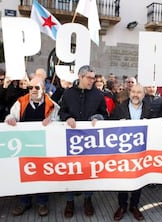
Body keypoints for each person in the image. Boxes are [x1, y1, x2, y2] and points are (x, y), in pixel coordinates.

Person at [5, 76, 60, 217]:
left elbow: (59, 122)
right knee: (25, 174)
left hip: (44, 147)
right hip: (24, 145)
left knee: (42, 174)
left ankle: (42, 202)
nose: (33, 90)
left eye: (37, 87)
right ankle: (24, 201)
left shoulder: (53, 105)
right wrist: (10, 120)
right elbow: (11, 117)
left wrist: (52, 121)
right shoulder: (20, 103)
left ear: (44, 88)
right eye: (30, 87)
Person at [58, 65, 108, 218]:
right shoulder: (68, 93)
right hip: (71, 140)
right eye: (89, 78)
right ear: (80, 77)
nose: (92, 80)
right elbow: (61, 111)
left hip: (89, 140)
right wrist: (68, 118)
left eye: (94, 78)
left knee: (88, 170)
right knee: (71, 170)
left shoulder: (98, 95)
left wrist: (98, 118)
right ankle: (70, 201)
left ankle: (88, 199)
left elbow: (104, 113)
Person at [110, 83, 152, 221]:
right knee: (123, 179)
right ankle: (122, 206)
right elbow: (109, 126)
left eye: (139, 92)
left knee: (138, 178)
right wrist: (117, 124)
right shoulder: (120, 108)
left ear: (143, 95)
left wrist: (150, 125)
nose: (135, 94)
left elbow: (158, 127)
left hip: (141, 152)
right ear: (129, 93)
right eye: (133, 91)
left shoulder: (149, 109)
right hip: (123, 151)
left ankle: (134, 205)